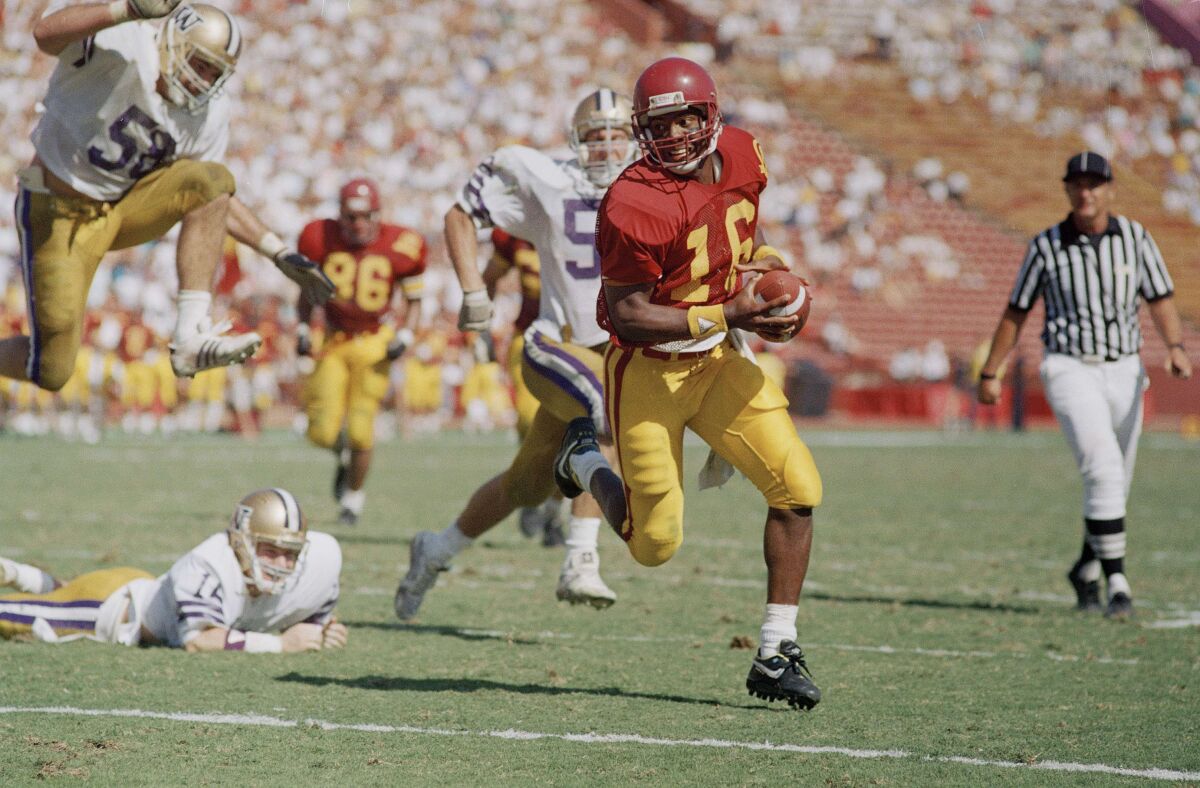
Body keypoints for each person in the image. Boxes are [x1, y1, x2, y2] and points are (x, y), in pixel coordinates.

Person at [552, 57, 823, 710]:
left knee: (797, 490)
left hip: (718, 363)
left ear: (712, 116)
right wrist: (731, 311)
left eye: (685, 119)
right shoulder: (631, 201)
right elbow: (629, 315)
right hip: (649, 373)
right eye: (660, 124)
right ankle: (585, 459)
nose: (674, 136)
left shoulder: (744, 153)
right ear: (643, 130)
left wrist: (771, 278)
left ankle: (776, 650)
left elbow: (741, 241)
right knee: (654, 545)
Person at [0, 1, 334, 393]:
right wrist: (124, 8)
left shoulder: (208, 113)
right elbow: (44, 34)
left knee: (212, 178)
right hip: (57, 209)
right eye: (200, 62)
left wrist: (277, 251)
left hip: (123, 210)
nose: (202, 80)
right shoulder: (126, 44)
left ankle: (191, 334)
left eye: (215, 72)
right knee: (52, 370)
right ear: (172, 40)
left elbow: (214, 196)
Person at [394, 88, 639, 620]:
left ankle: (436, 549)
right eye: (594, 137)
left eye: (616, 135)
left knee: (525, 486)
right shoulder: (546, 177)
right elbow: (461, 215)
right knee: (608, 412)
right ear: (576, 142)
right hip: (557, 342)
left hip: (617, 352)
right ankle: (580, 558)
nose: (605, 148)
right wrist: (474, 293)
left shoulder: (657, 189)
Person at [977, 151, 1192, 619]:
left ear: (1111, 188)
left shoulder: (1135, 237)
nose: (1086, 191)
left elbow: (1160, 296)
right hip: (1069, 365)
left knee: (1117, 479)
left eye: (1094, 183)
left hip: (1126, 367)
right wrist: (991, 371)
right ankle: (1118, 582)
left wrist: (1175, 345)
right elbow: (1017, 311)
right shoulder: (1046, 245)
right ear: (1067, 189)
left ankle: (1086, 568)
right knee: (1103, 468)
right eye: (1077, 183)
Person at [0, 488, 347, 652]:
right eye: (271, 550)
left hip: (136, 585)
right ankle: (17, 577)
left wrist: (322, 630)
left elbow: (310, 616)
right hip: (107, 608)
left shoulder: (322, 561)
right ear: (242, 542)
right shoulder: (210, 563)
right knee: (13, 614)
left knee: (63, 590)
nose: (282, 565)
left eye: (290, 554)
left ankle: (17, 573)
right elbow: (198, 641)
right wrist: (280, 645)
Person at [296, 178, 427, 525]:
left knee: (361, 429)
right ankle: (343, 455)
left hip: (374, 342)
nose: (357, 225)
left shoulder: (402, 243)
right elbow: (306, 291)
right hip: (334, 339)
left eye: (364, 216)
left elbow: (414, 299)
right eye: (350, 217)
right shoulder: (318, 237)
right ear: (339, 215)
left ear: (377, 214)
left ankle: (352, 500)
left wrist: (407, 335)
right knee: (321, 432)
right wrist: (303, 327)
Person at [483, 229, 565, 545]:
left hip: (579, 340)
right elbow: (489, 277)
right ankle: (535, 489)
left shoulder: (588, 222)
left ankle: (553, 511)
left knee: (572, 431)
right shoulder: (516, 233)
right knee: (531, 423)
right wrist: (482, 326)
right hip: (531, 337)